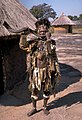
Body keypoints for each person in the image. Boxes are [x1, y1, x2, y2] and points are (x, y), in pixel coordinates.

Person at [19, 18, 61, 116]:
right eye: (40, 31)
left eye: (45, 31)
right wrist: (24, 35)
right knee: (34, 89)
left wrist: (48, 40)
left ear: (48, 31)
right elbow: (23, 46)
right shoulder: (34, 42)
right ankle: (34, 108)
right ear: (38, 31)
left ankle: (45, 107)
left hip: (47, 71)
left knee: (46, 90)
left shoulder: (52, 42)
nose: (42, 33)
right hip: (36, 72)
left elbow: (51, 52)